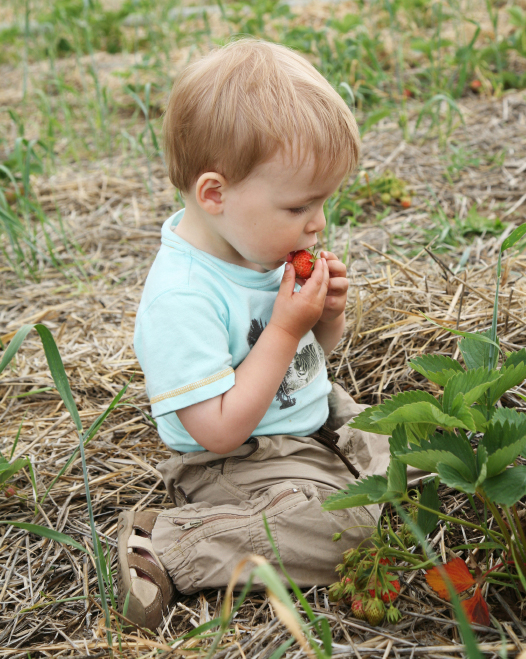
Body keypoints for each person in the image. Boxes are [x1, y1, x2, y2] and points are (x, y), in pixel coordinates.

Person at [116, 38, 422, 631]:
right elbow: (221, 429)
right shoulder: (183, 296)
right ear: (215, 194)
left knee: (413, 456)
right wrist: (285, 327)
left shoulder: (253, 247)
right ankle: (168, 541)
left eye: (324, 203)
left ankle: (344, 476)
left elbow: (307, 367)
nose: (318, 223)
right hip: (232, 461)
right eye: (299, 207)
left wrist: (323, 322)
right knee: (347, 533)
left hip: (304, 421)